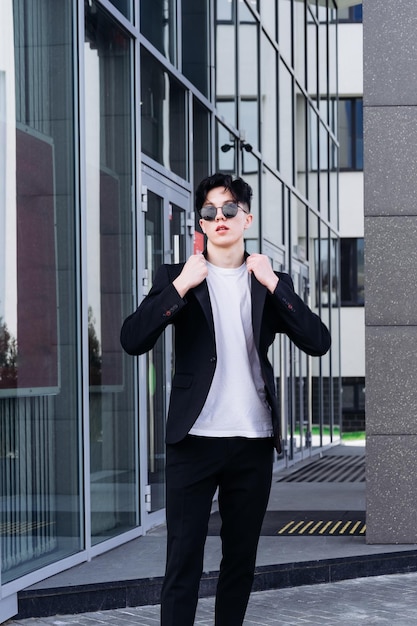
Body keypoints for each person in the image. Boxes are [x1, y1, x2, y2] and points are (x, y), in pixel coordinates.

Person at [120, 172, 331, 626]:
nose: (220, 218)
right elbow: (133, 339)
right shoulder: (177, 277)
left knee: (240, 562)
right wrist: (178, 287)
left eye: (230, 209)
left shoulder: (269, 280)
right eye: (210, 211)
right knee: (183, 563)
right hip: (193, 441)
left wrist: (275, 285)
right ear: (200, 221)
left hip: (253, 441)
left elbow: (318, 341)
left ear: (246, 218)